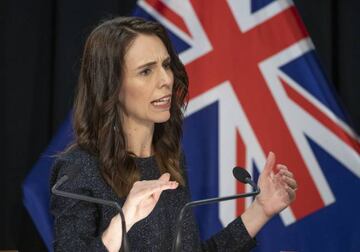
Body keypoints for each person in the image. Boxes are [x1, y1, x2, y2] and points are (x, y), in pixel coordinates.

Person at [50, 16, 298, 252]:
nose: (166, 79)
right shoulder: (79, 169)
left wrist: (262, 209)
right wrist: (124, 220)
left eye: (166, 65)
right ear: (111, 86)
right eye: (146, 71)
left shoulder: (169, 159)